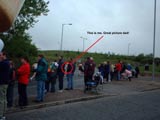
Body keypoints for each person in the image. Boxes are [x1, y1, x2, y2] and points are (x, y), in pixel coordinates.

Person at [0, 52, 10, 120]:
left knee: (1, 100)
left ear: (4, 55)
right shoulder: (7, 62)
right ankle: (3, 114)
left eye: (0, 55)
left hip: (2, 83)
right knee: (4, 99)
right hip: (5, 83)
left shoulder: (4, 63)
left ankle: (1, 115)